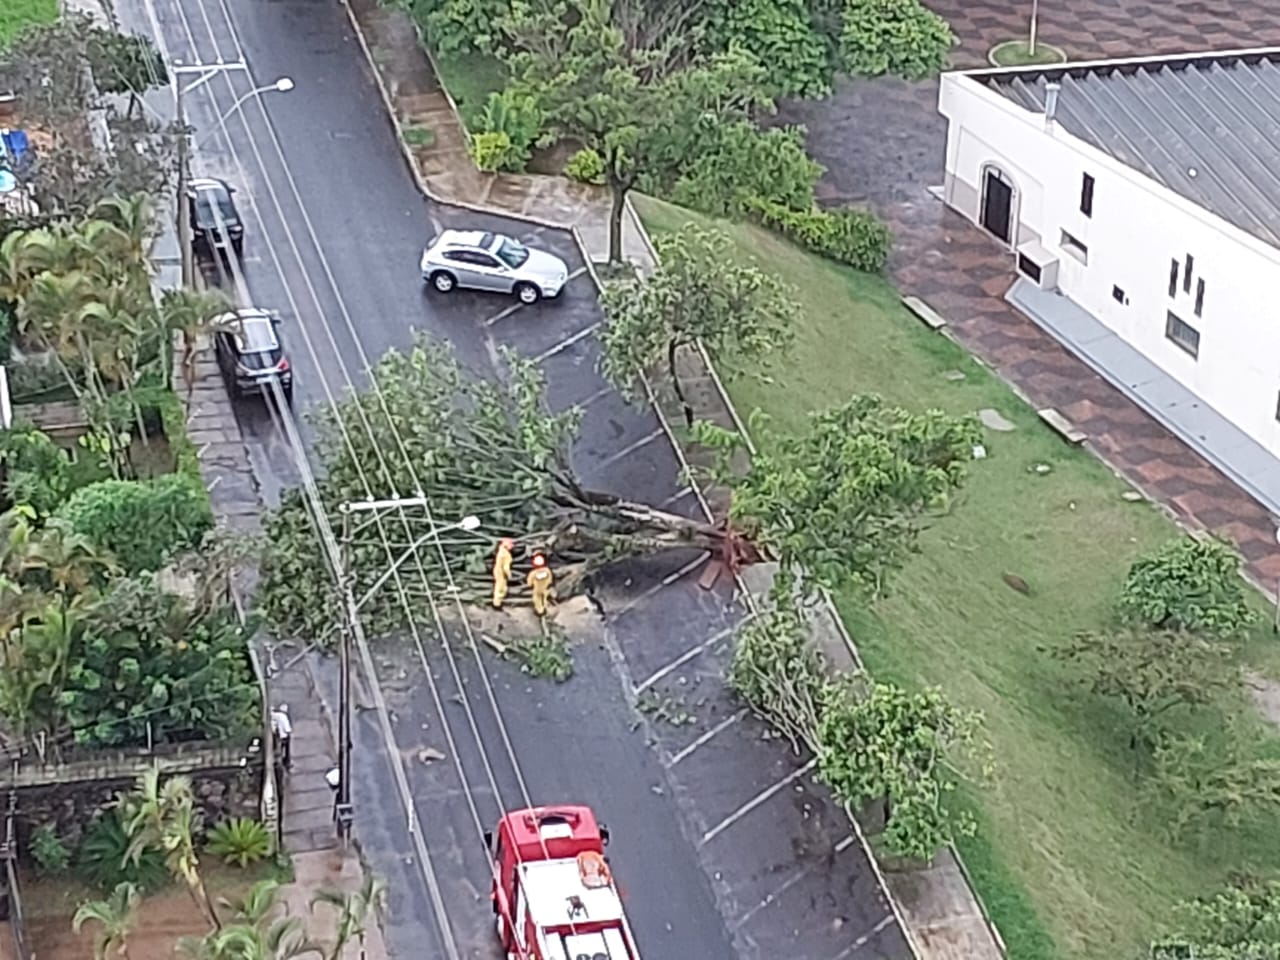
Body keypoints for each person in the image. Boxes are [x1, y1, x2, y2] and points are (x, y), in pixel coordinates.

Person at [526, 552, 554, 617]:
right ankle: (545, 607)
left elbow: (529, 582)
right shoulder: (547, 570)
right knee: (544, 598)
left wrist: (530, 585)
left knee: (537, 599)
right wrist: (549, 583)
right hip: (545, 588)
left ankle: (540, 611)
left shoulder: (533, 573)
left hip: (537, 589)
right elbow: (550, 579)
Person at [492, 538, 514, 609]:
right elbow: (506, 567)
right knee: (501, 588)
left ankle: (496, 602)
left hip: (497, 570)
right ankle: (497, 604)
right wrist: (509, 575)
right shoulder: (506, 555)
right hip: (501, 572)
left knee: (498, 586)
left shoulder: (500, 551)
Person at [271, 704, 293, 769]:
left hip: (278, 736)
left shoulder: (276, 715)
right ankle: (286, 762)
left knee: (278, 748)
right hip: (285, 736)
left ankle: (279, 761)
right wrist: (289, 731)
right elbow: (287, 728)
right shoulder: (283, 716)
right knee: (287, 750)